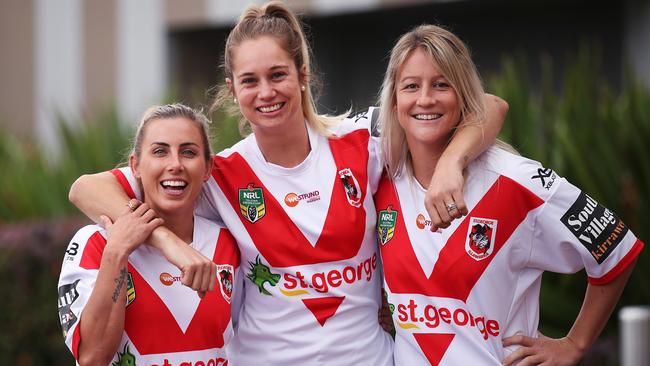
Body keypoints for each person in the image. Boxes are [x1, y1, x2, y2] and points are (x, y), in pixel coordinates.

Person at [68, 2, 507, 365]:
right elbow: (87, 188)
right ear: (232, 89)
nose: (266, 92)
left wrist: (451, 163)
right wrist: (171, 244)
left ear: (302, 73)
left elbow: (486, 106)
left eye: (277, 75)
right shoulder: (218, 173)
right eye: (250, 81)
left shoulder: (362, 141)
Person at [373, 24, 644, 365]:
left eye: (442, 85)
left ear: (464, 97)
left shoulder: (515, 179)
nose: (425, 99)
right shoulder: (381, 171)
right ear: (394, 100)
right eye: (411, 86)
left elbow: (616, 246)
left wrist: (575, 343)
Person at [58, 104, 239, 365]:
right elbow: (92, 357)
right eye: (160, 152)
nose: (175, 164)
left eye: (188, 152)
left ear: (208, 167)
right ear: (136, 166)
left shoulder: (228, 242)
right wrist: (117, 251)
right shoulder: (95, 242)